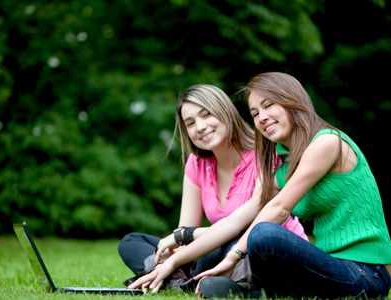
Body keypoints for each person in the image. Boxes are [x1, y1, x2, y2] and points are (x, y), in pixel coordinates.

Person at [131, 72, 391, 298]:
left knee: (265, 234)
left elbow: (277, 209)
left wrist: (233, 255)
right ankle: (255, 291)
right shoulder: (282, 165)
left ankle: (248, 287)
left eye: (269, 106)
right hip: (330, 265)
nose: (262, 117)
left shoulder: (327, 142)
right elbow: (235, 221)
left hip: (367, 274)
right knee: (256, 239)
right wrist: (176, 258)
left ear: (293, 101)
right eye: (255, 113)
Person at [121, 83, 307, 292]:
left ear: (225, 112)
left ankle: (176, 280)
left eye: (206, 114)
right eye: (190, 123)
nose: (200, 127)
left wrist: (186, 241)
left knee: (216, 248)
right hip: (215, 247)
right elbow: (184, 232)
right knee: (132, 242)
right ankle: (177, 280)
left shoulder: (265, 153)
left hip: (255, 252)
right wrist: (174, 253)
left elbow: (239, 227)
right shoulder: (197, 162)